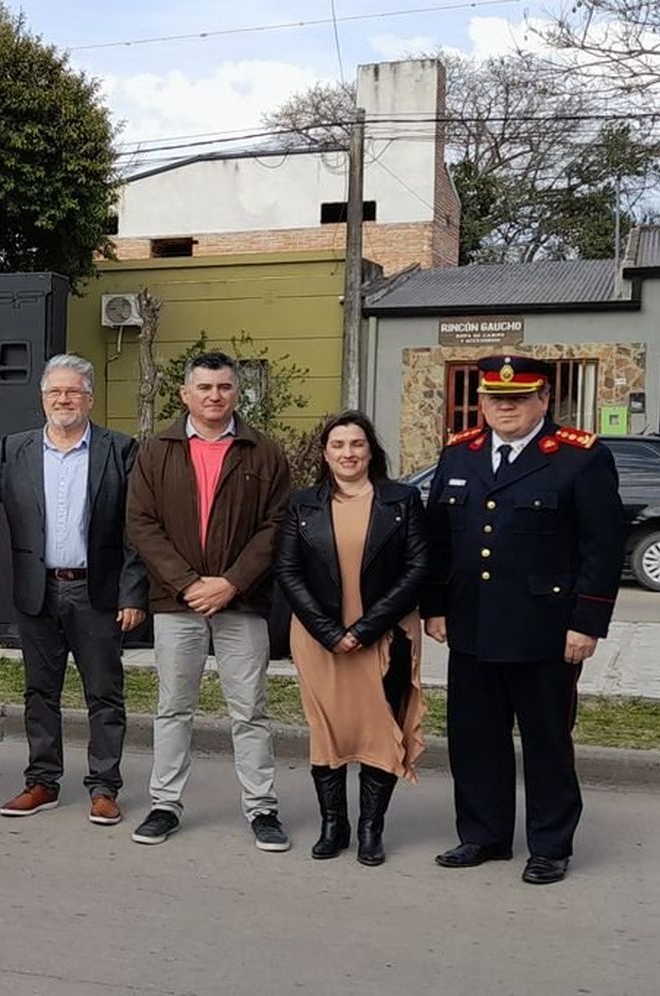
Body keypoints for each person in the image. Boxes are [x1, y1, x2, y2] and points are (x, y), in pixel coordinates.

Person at [423, 355, 624, 885]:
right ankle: (484, 835)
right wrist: (435, 606)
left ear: (543, 400)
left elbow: (602, 549)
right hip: (471, 624)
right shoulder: (459, 454)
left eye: (517, 398)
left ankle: (550, 844)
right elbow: (438, 541)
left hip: (546, 629)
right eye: (494, 398)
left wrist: (588, 623)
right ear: (482, 403)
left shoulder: (579, 458)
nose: (504, 407)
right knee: (475, 737)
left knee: (547, 741)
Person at [125, 351, 291, 850]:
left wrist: (232, 583)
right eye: (204, 388)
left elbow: (276, 525)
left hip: (241, 603)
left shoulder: (263, 452)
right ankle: (164, 804)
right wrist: (187, 583)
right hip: (178, 604)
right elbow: (141, 524)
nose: (214, 396)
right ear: (185, 394)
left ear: (237, 392)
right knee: (173, 707)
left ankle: (262, 808)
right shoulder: (156, 451)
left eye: (223, 387)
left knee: (250, 711)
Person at [0, 354, 147, 826]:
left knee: (104, 693)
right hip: (38, 590)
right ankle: (42, 781)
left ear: (90, 399)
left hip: (96, 592)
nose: (64, 399)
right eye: (55, 391)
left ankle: (104, 786)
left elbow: (136, 529)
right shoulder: (15, 449)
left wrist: (133, 593)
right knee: (40, 691)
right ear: (42, 398)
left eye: (73, 391)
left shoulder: (119, 450)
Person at [273, 411, 431, 866]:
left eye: (357, 444)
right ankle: (333, 825)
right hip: (319, 637)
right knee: (328, 731)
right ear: (325, 452)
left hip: (386, 634)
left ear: (371, 451)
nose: (348, 453)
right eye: (338, 445)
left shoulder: (401, 500)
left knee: (380, 729)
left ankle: (370, 828)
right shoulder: (303, 504)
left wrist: (364, 629)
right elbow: (287, 570)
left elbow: (417, 568)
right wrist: (329, 632)